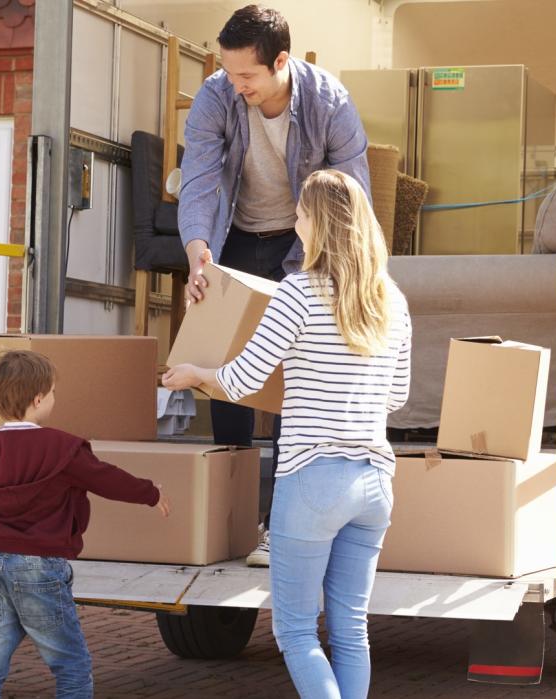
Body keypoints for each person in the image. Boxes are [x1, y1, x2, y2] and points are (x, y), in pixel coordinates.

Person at [164, 169, 411, 699]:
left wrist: (194, 374)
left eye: (300, 213)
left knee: (296, 630)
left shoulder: (298, 292)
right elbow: (398, 397)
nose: (294, 221)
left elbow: (243, 379)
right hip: (374, 483)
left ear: (318, 224)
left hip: (312, 479)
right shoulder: (392, 299)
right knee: (350, 630)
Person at [179, 4, 371, 567]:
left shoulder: (329, 102)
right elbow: (199, 179)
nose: (234, 85)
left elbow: (350, 195)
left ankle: (281, 526)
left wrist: (327, 271)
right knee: (227, 371)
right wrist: (197, 252)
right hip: (234, 239)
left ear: (280, 62)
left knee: (295, 379)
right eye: (228, 71)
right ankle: (233, 520)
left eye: (247, 76)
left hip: (304, 245)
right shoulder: (218, 95)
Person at [0, 350, 172, 699]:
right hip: (40, 565)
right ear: (38, 398)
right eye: (53, 392)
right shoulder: (62, 448)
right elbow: (105, 478)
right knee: (70, 664)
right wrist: (150, 493)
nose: (54, 399)